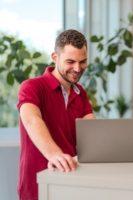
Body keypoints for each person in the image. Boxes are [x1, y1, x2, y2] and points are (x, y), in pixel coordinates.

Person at [17, 29, 95, 200]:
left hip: (72, 184)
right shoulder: (32, 87)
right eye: (70, 61)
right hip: (38, 187)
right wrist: (54, 154)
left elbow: (91, 132)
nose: (77, 68)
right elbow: (31, 120)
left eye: (83, 62)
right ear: (55, 57)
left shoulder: (80, 93)